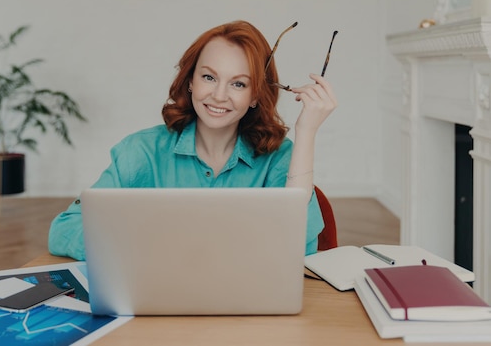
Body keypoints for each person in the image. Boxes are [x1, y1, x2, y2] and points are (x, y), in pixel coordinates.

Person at [48, 20, 337, 260]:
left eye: (239, 83)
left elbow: (298, 246)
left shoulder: (279, 157)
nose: (219, 95)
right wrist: (147, 248)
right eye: (209, 77)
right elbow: (66, 228)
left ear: (255, 96)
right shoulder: (140, 152)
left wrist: (307, 132)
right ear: (191, 80)